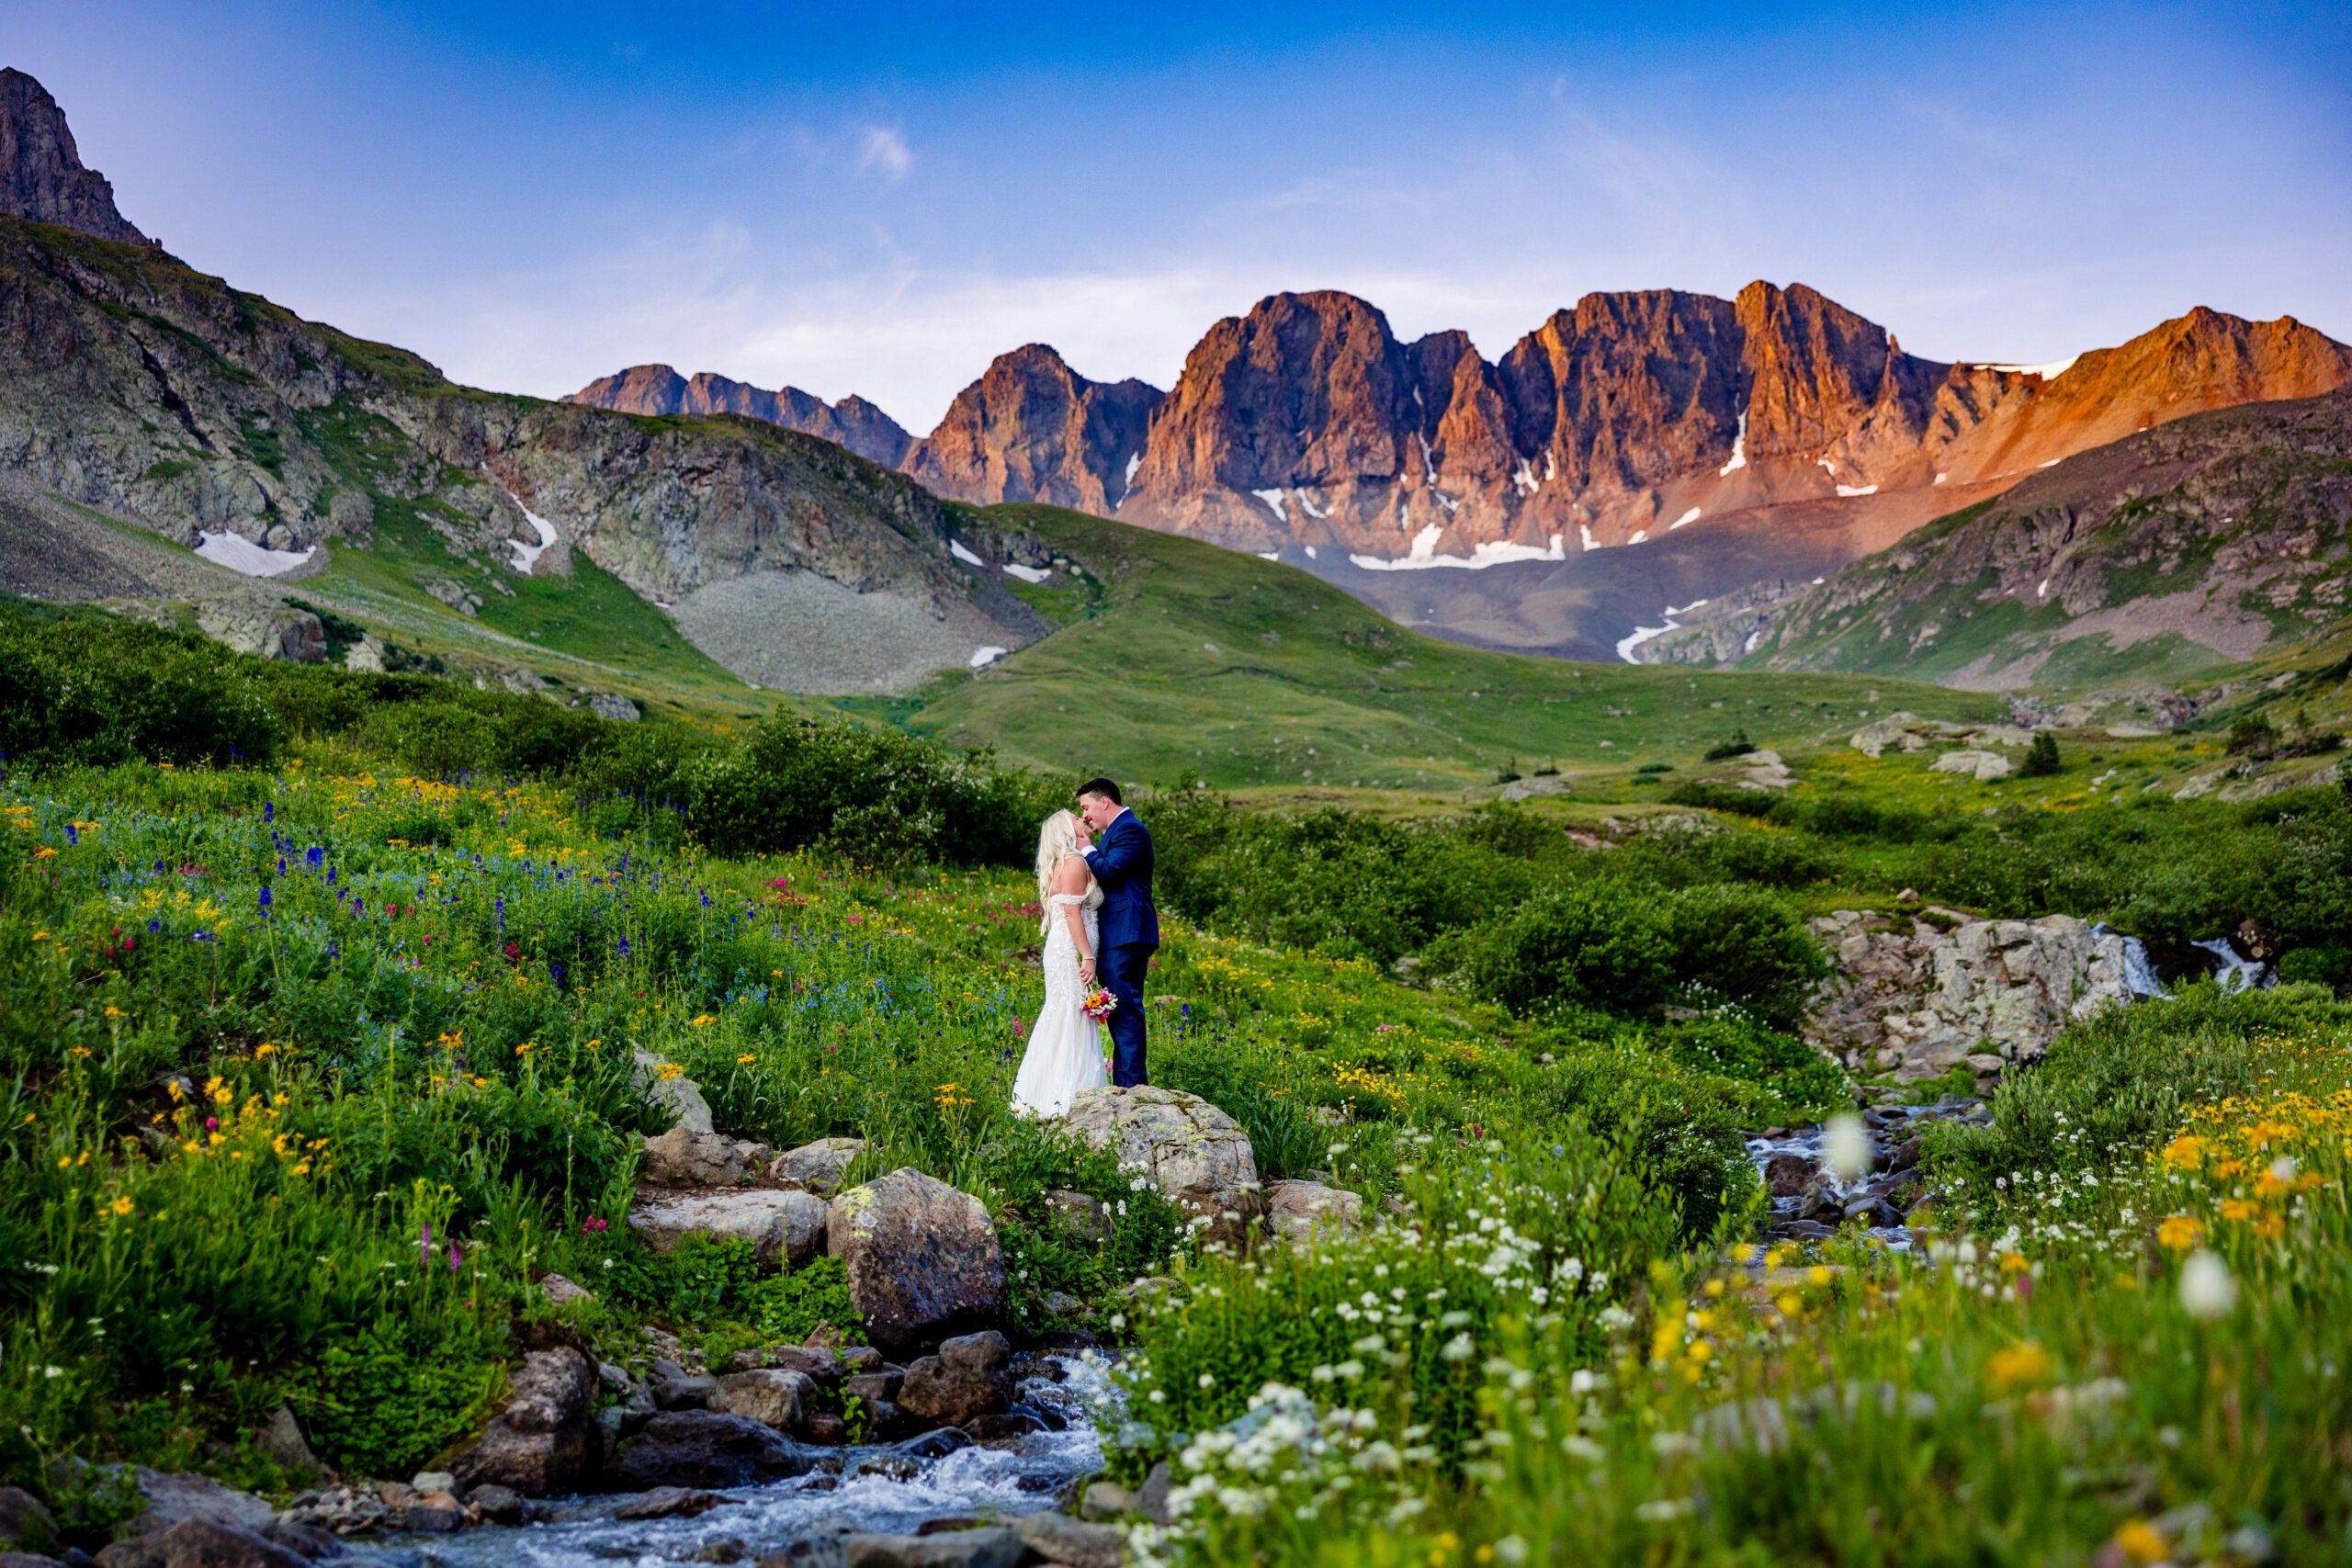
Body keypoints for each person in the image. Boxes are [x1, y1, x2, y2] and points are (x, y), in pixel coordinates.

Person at [1010, 809, 1111, 1117]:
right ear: (1067, 829)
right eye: (1076, 818)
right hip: (1070, 950)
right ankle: (1066, 1098)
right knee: (1071, 1014)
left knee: (1067, 1013)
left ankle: (1047, 1096)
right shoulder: (1075, 863)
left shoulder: (1065, 862)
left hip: (1066, 948)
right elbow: (1071, 915)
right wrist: (1088, 955)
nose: (1083, 820)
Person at [1077, 776, 1157, 1087]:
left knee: (1125, 1010)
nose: (1085, 815)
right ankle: (1128, 1083)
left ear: (1104, 801)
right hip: (1119, 934)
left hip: (1127, 933)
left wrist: (1086, 849)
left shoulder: (1131, 830)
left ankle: (1132, 1088)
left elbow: (1110, 872)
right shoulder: (1117, 831)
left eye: (1086, 807)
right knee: (1120, 1011)